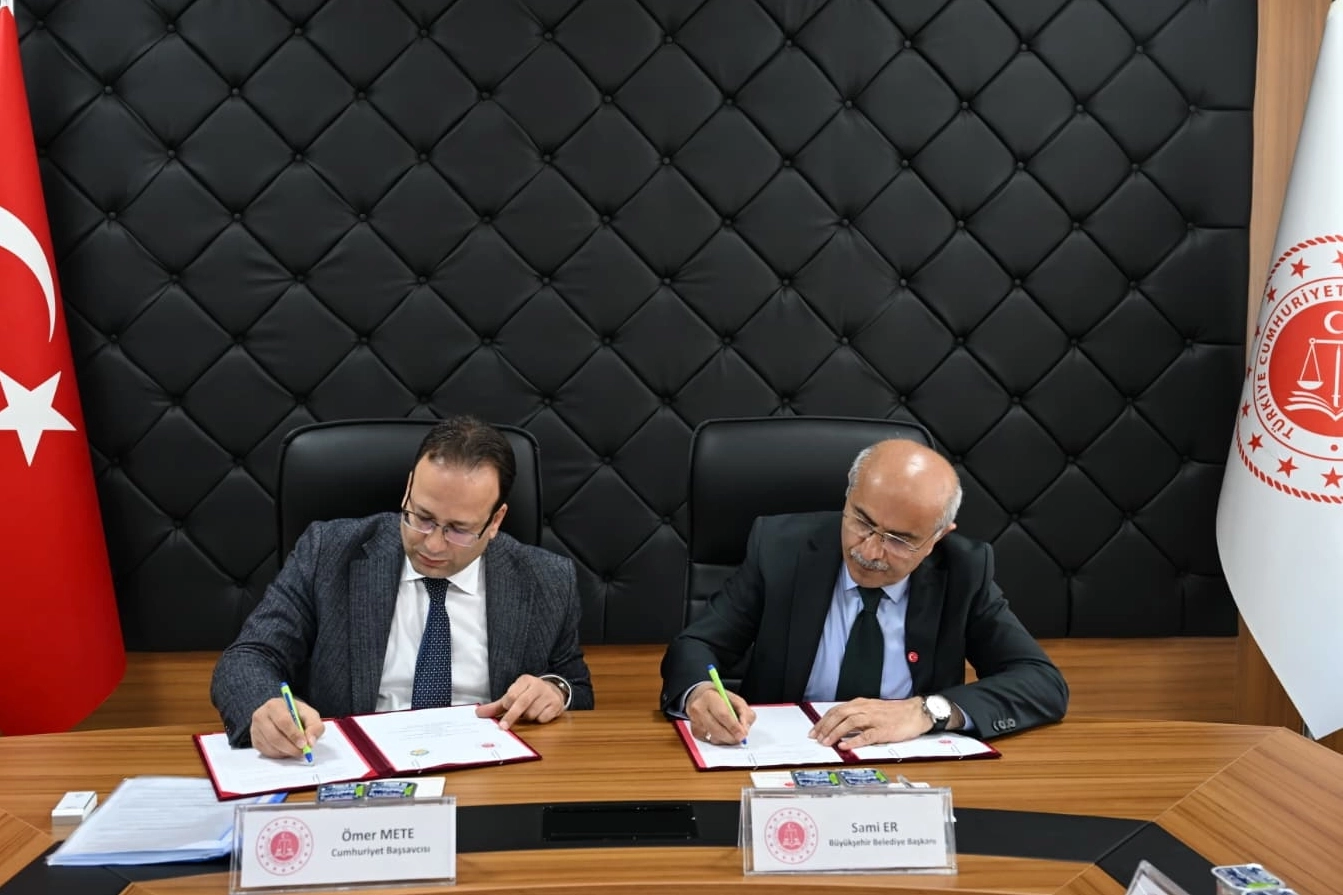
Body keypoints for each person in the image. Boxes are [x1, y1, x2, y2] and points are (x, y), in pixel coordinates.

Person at [212, 415, 592, 758]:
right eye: (422, 517)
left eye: (458, 529)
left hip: (490, 771)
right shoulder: (328, 553)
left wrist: (554, 691)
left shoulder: (546, 579)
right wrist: (265, 707)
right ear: (409, 488)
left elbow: (573, 684)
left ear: (495, 521)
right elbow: (249, 656)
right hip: (358, 773)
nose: (433, 545)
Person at [660, 438, 1067, 749]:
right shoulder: (780, 549)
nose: (869, 552)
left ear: (938, 538)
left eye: (899, 540)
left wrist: (927, 711)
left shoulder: (964, 571)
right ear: (848, 497)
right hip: (787, 756)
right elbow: (696, 645)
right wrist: (701, 692)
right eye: (862, 522)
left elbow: (1042, 683)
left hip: (914, 766)